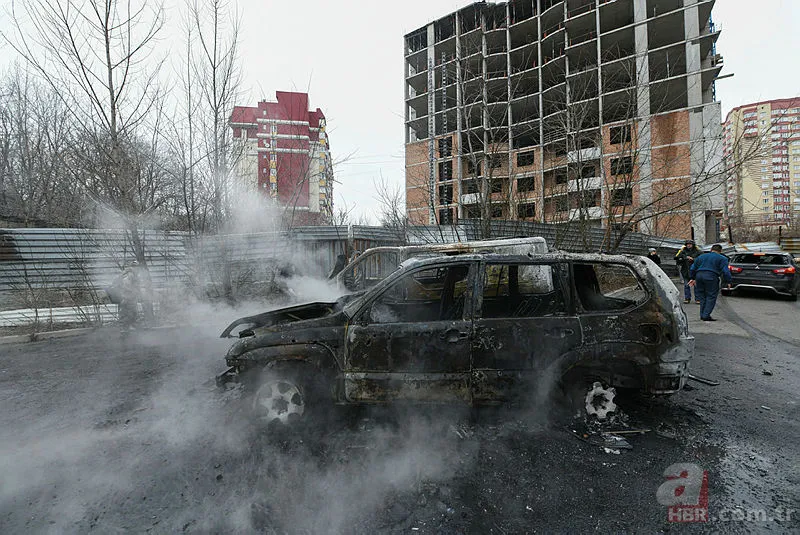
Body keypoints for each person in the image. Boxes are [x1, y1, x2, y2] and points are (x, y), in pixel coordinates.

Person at [688, 244, 732, 322]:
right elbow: (726, 271)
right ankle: (706, 315)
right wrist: (728, 281)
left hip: (699, 276)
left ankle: (702, 314)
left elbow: (692, 268)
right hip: (711, 277)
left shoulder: (701, 256)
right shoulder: (722, 258)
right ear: (720, 251)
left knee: (702, 296)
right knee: (711, 296)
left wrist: (692, 278)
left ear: (711, 249)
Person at [675, 239, 702, 304]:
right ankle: (687, 298)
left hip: (695, 271)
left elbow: (702, 259)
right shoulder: (682, 251)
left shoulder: (698, 251)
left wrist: (693, 259)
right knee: (686, 285)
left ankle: (698, 299)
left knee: (696, 286)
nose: (689, 245)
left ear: (693, 245)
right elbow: (677, 258)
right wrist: (684, 258)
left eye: (690, 244)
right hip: (685, 270)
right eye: (687, 244)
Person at [118, 261, 140, 333]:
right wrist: (134, 292)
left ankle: (127, 327)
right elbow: (126, 286)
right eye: (136, 267)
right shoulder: (130, 275)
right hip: (127, 297)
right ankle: (125, 328)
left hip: (129, 296)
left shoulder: (132, 274)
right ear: (133, 267)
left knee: (131, 312)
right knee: (128, 312)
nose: (138, 269)